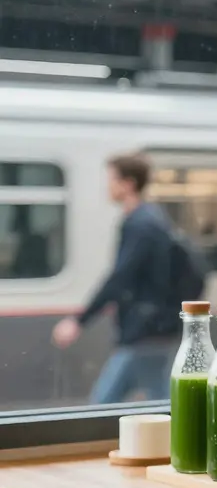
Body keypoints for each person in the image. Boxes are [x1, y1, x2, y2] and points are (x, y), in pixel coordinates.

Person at [53, 154, 194, 404]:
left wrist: (79, 321)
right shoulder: (151, 219)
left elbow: (120, 277)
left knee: (105, 404)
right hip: (153, 328)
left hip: (146, 330)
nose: (108, 186)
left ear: (128, 184)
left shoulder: (141, 225)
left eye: (111, 179)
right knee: (152, 398)